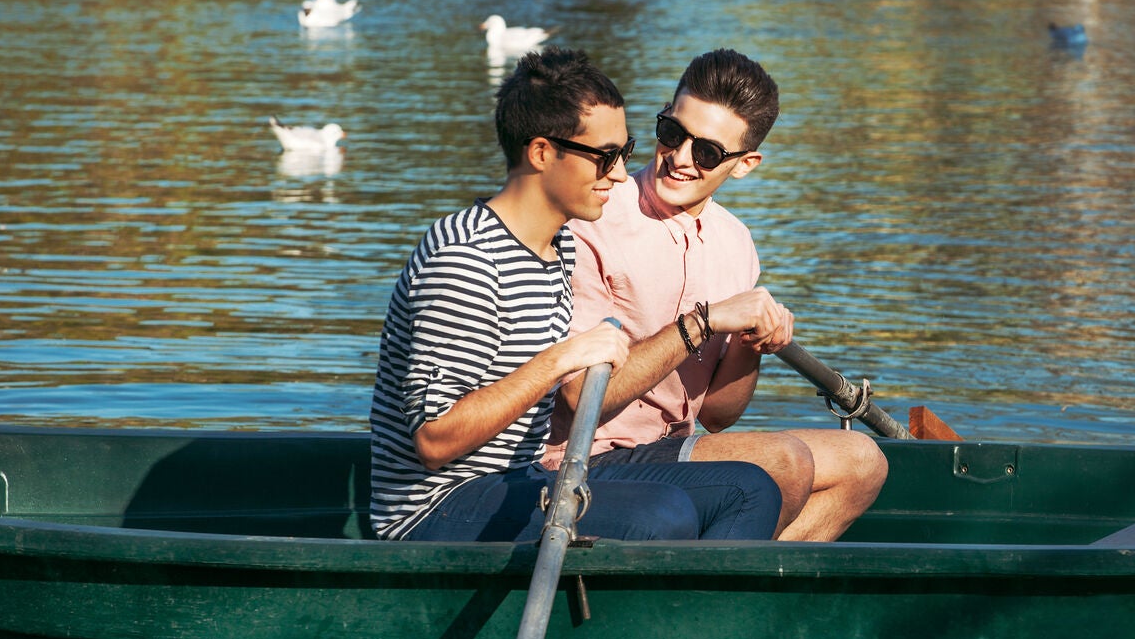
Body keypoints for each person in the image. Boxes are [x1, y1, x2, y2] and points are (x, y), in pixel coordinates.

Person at [368, 46, 781, 543]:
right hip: (436, 506)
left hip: (520, 481)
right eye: (605, 158)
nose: (622, 175)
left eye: (625, 153)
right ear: (542, 153)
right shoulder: (465, 258)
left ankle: (696, 621)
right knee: (663, 512)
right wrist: (561, 360)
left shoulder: (558, 245)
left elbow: (717, 413)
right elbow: (434, 441)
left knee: (750, 489)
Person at [551, 48, 888, 540]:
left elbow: (716, 415)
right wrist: (704, 322)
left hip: (671, 451)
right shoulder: (595, 214)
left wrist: (753, 347)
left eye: (706, 152)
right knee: (785, 462)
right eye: (672, 133)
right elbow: (582, 398)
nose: (680, 159)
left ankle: (746, 590)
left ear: (746, 164)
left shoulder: (737, 244)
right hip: (580, 457)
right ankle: (714, 597)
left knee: (863, 461)